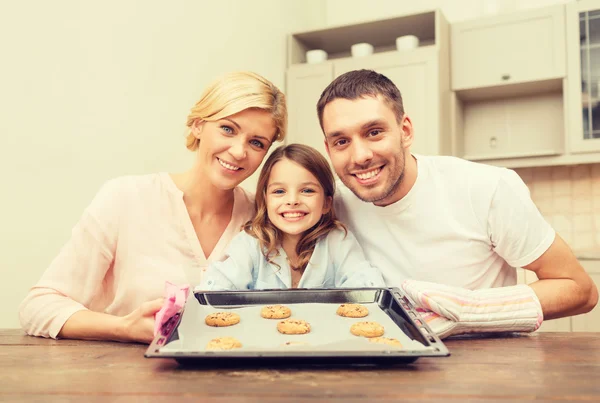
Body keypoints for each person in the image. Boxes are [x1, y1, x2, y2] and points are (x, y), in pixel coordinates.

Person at [316, 69, 598, 338]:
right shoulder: (332, 206)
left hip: (490, 369)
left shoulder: (487, 188)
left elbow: (581, 291)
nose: (360, 155)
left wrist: (471, 312)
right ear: (328, 150)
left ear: (405, 131)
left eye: (374, 132)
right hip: (387, 366)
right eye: (341, 141)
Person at [19, 71, 287, 344]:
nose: (239, 151)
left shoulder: (265, 217)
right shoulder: (125, 198)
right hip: (126, 378)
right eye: (228, 129)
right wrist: (124, 327)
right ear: (197, 125)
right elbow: (38, 306)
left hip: (237, 383)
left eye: (256, 142)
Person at [198, 144, 384, 290]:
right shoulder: (250, 244)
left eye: (307, 190)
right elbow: (216, 288)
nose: (293, 201)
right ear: (265, 200)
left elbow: (367, 285)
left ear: (327, 203)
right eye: (279, 191)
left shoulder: (337, 241)